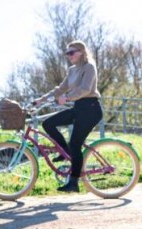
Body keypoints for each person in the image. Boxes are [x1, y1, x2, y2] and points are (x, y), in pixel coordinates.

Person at [34, 40, 103, 193]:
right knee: (48, 123)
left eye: (71, 52)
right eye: (67, 53)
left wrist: (67, 97)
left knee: (75, 144)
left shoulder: (89, 67)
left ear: (81, 52)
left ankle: (73, 182)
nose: (69, 56)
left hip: (91, 109)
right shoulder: (72, 70)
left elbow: (85, 89)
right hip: (79, 108)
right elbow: (60, 89)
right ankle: (64, 152)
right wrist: (41, 100)